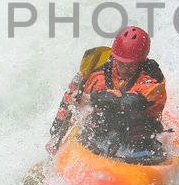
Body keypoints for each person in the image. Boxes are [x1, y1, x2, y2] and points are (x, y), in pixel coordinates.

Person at [46, 26, 167, 163]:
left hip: (137, 136)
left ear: (142, 61)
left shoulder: (153, 78)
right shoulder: (97, 70)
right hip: (102, 131)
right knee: (93, 120)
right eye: (121, 63)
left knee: (133, 120)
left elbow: (131, 102)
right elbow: (70, 99)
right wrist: (56, 135)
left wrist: (91, 98)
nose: (125, 69)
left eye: (131, 65)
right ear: (114, 56)